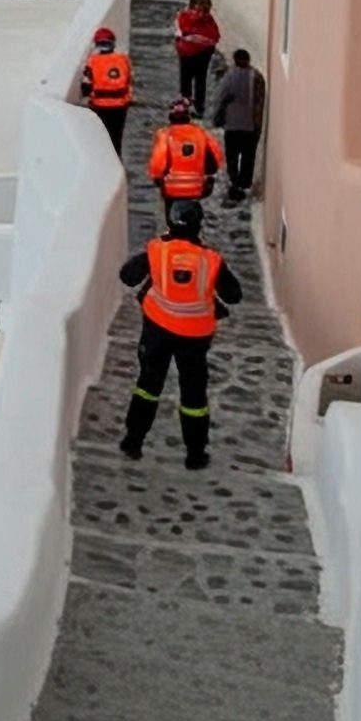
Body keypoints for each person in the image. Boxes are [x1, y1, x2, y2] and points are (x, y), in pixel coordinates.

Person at [116, 200, 243, 470]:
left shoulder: (156, 251)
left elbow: (127, 276)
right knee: (194, 396)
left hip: (157, 330)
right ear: (199, 225)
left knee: (148, 386)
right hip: (195, 337)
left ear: (171, 223)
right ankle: (195, 454)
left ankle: (133, 441)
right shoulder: (211, 260)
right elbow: (234, 295)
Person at [147, 99, 222, 217]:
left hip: (171, 188)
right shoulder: (201, 133)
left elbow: (158, 163)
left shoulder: (165, 135)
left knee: (172, 218)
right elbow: (216, 159)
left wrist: (157, 178)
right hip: (197, 187)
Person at [211, 49, 267, 206]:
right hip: (251, 126)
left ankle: (234, 183)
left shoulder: (229, 76)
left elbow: (220, 98)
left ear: (235, 60)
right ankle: (244, 185)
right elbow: (260, 101)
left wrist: (216, 117)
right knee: (248, 157)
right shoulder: (257, 77)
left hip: (233, 125)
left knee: (232, 155)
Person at [81, 26, 133, 150]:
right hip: (121, 105)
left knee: (101, 139)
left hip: (99, 105)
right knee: (116, 139)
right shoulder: (124, 59)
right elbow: (129, 79)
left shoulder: (92, 61)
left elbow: (85, 87)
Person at [173, 0, 221, 112]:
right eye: (198, 11)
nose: (201, 14)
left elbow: (214, 37)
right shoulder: (185, 16)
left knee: (199, 80)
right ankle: (187, 103)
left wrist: (193, 37)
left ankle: (198, 107)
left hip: (201, 54)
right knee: (186, 79)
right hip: (187, 53)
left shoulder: (207, 20)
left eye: (204, 11)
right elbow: (182, 32)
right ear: (192, 7)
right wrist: (198, 38)